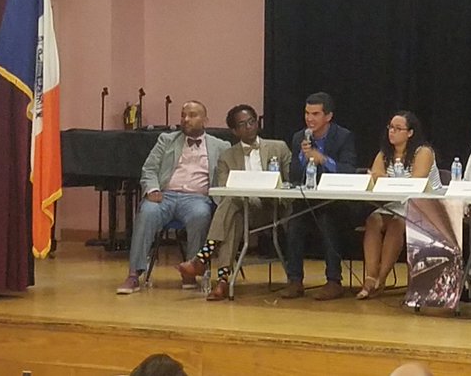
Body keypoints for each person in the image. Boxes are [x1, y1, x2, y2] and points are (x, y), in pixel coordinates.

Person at [176, 105, 292, 300]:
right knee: (233, 212)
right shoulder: (227, 156)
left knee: (232, 206)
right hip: (242, 208)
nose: (249, 127)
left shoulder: (278, 147)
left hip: (271, 208)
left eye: (251, 122)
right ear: (234, 131)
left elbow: (291, 182)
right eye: (242, 125)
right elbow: (224, 191)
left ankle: (203, 258)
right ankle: (222, 281)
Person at [116, 101, 228, 294]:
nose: (186, 119)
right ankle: (134, 274)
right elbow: (149, 169)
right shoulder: (166, 140)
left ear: (205, 120)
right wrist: (152, 189)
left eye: (192, 115)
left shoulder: (221, 146)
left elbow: (226, 176)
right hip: (164, 196)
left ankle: (190, 270)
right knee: (146, 212)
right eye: (183, 115)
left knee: (201, 215)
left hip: (197, 198)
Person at [281, 92, 359, 300]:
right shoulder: (299, 137)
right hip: (307, 200)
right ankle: (295, 280)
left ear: (328, 116)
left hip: (335, 202)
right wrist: (302, 156)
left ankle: (334, 281)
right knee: (294, 222)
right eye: (307, 113)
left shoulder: (343, 136)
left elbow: (349, 170)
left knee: (327, 220)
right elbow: (293, 176)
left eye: (315, 114)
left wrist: (323, 159)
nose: (310, 119)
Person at [357, 110, 441, 299]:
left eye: (398, 128)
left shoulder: (423, 152)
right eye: (390, 127)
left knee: (397, 223)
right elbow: (375, 179)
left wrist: (385, 179)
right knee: (373, 220)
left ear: (410, 133)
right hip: (395, 204)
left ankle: (381, 278)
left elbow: (417, 182)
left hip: (423, 205)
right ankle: (370, 277)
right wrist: (380, 179)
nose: (392, 132)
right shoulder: (384, 154)